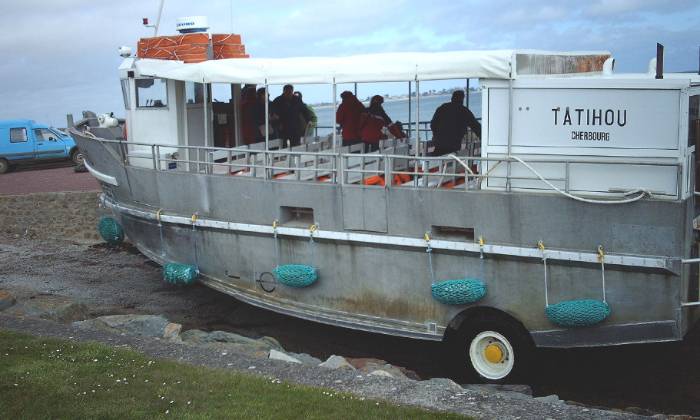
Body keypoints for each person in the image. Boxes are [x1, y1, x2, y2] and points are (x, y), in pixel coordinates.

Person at [429, 90, 481, 156]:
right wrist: (483, 137)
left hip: (439, 143)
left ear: (452, 98)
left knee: (438, 158)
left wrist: (437, 135)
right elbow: (476, 126)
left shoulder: (442, 108)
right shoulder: (464, 110)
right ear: (462, 99)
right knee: (453, 159)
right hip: (454, 145)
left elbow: (433, 125)